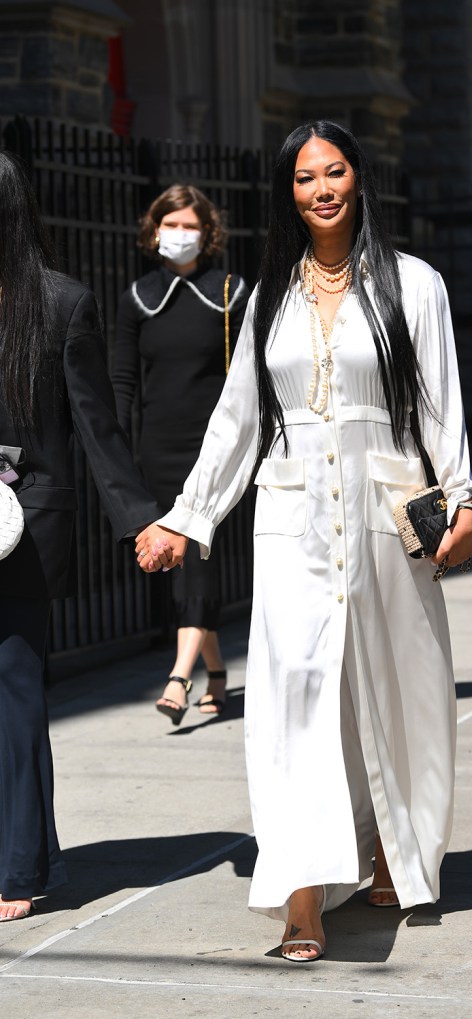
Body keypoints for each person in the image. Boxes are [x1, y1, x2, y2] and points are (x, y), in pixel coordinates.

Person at [136, 121, 472, 961]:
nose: (321, 188)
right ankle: (300, 890)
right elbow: (239, 421)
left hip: (385, 520)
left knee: (396, 694)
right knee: (293, 702)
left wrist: (464, 501)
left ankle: (389, 847)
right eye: (304, 177)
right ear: (287, 193)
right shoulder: (269, 297)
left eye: (334, 172)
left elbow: (440, 402)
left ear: (359, 179)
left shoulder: (415, 285)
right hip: (292, 525)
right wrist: (188, 515)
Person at [0, 151, 160, 922]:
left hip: (20, 530)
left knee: (14, 694)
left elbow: (98, 428)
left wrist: (140, 518)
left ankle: (18, 868)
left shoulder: (61, 304)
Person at [112, 185, 249, 725]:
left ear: (208, 232)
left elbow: (248, 379)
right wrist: (118, 452)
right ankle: (216, 673)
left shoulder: (233, 292)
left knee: (198, 559)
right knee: (180, 563)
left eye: (189, 225)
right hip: (158, 450)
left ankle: (180, 674)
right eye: (169, 226)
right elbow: (123, 381)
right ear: (154, 231)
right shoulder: (138, 297)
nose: (179, 235)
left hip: (213, 448)